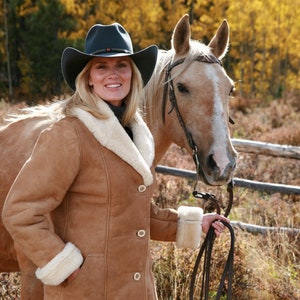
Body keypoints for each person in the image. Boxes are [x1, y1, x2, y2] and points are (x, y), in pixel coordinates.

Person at [2, 22, 229, 299]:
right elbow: (21, 211)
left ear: (133, 75)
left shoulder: (134, 134)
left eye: (122, 66)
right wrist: (63, 265)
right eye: (102, 67)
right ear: (88, 77)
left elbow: (128, 212)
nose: (113, 75)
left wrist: (192, 224)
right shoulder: (68, 133)